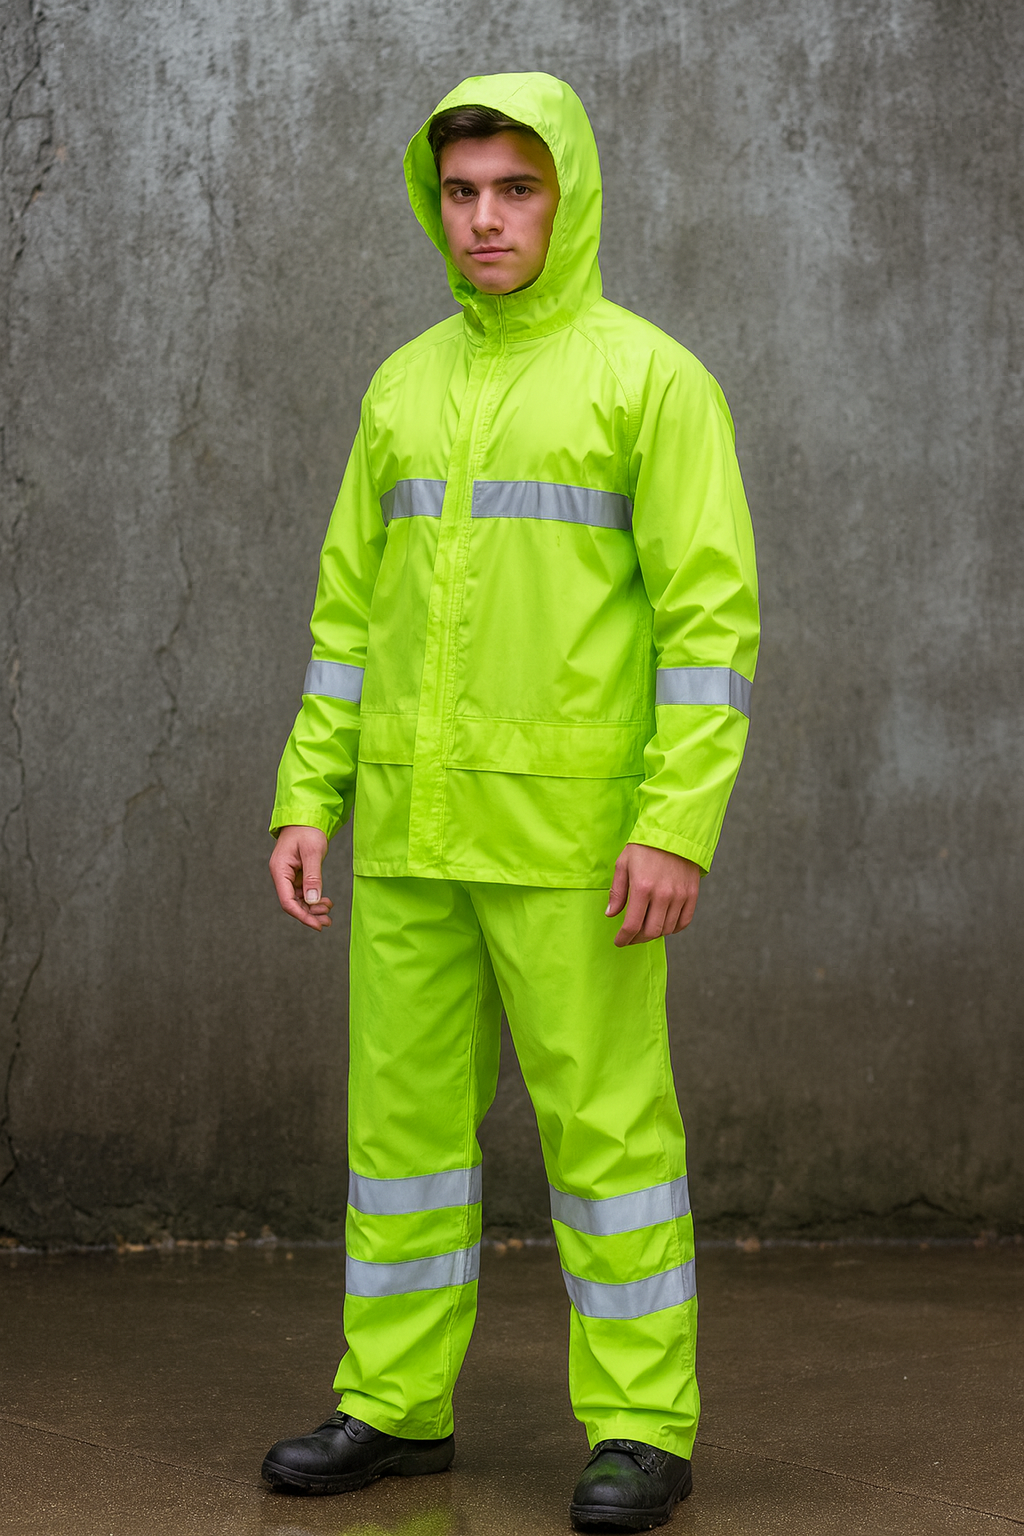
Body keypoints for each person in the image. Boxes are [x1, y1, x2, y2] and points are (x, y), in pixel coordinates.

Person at [261, 71, 758, 1532]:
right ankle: (395, 1406)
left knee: (606, 1138)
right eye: (465, 192)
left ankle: (643, 1426)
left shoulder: (650, 380)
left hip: (573, 843)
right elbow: (347, 615)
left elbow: (709, 627)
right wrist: (311, 793)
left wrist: (676, 821)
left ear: (568, 196)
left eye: (516, 190)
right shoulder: (403, 385)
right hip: (411, 833)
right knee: (402, 1141)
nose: (486, 219)